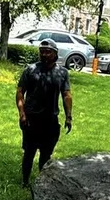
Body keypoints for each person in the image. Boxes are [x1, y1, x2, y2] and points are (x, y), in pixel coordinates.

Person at [16, 38, 73, 185]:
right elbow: (20, 91)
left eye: (48, 52)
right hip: (31, 119)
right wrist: (22, 113)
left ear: (55, 54)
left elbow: (66, 95)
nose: (44, 55)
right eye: (42, 52)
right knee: (29, 153)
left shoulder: (62, 73)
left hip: (50, 120)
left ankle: (42, 184)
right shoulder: (31, 70)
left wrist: (68, 116)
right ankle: (25, 182)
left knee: (46, 155)